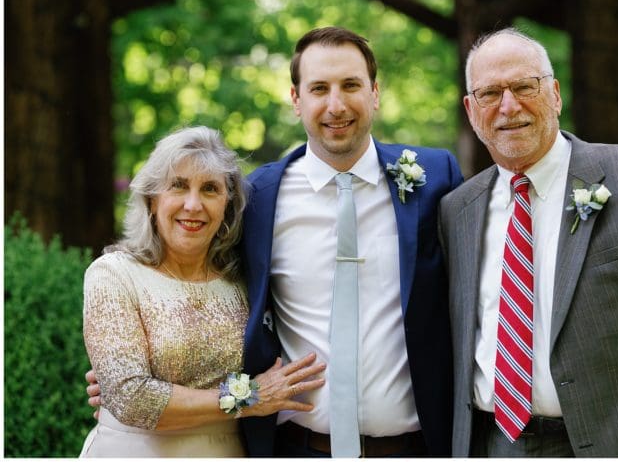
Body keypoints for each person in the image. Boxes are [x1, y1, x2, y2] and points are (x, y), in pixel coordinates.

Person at [439, 28, 618, 457]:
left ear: (554, 94)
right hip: (495, 444)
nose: (509, 106)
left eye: (524, 86)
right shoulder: (456, 210)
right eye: (490, 93)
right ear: (470, 108)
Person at [239, 26, 463, 456]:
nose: (336, 105)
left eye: (351, 86)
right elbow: (209, 291)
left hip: (416, 447)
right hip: (297, 447)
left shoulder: (436, 178)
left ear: (375, 93)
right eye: (319, 88)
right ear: (296, 99)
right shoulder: (256, 198)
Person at [81, 126, 325, 457]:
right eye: (178, 186)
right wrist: (250, 396)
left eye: (210, 189)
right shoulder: (114, 274)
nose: (193, 205)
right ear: (153, 200)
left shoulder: (244, 281)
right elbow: (132, 399)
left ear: (228, 205)